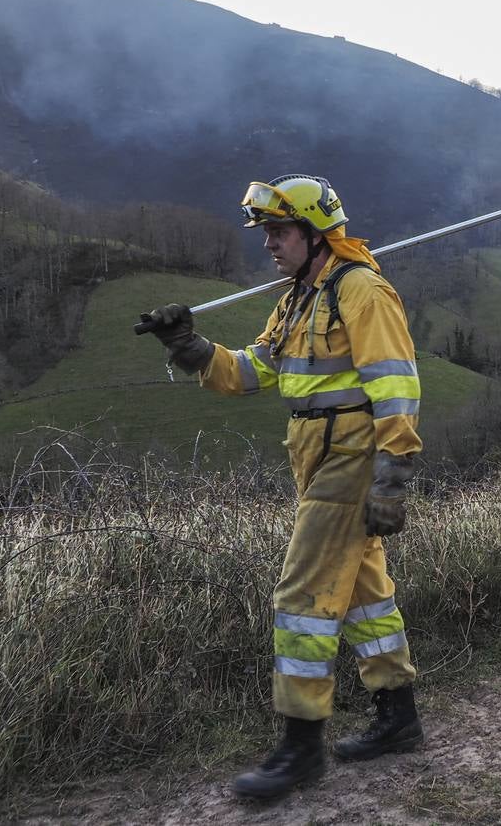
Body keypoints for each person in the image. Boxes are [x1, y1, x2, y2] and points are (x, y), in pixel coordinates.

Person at [144, 174, 425, 801]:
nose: (269, 243)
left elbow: (398, 383)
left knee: (300, 596)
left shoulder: (362, 290)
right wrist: (187, 346)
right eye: (265, 232)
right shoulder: (299, 297)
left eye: (278, 230)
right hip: (312, 451)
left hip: (353, 454)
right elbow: (250, 374)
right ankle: (398, 716)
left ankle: (300, 747)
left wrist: (394, 472)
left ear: (313, 231)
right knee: (361, 591)